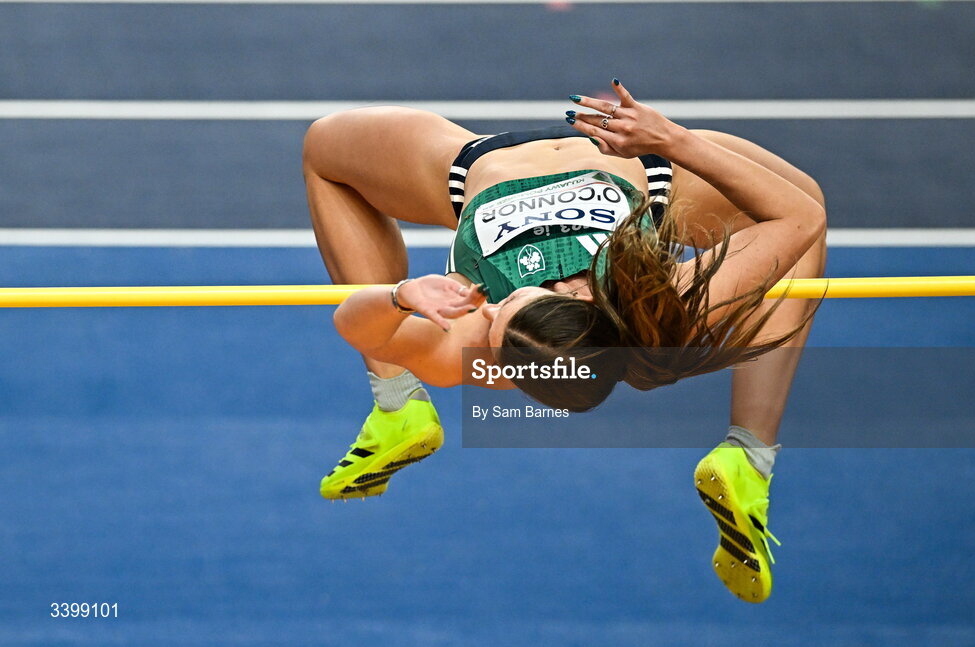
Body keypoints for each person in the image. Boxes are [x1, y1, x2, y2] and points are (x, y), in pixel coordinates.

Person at [302, 80, 827, 602]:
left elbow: (355, 328)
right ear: (581, 300)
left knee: (324, 150)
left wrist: (400, 296)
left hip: (473, 166)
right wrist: (671, 140)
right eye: (517, 301)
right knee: (801, 212)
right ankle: (750, 455)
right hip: (643, 169)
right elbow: (801, 215)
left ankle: (398, 405)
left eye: (498, 312)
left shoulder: (472, 344)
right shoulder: (658, 299)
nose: (493, 304)